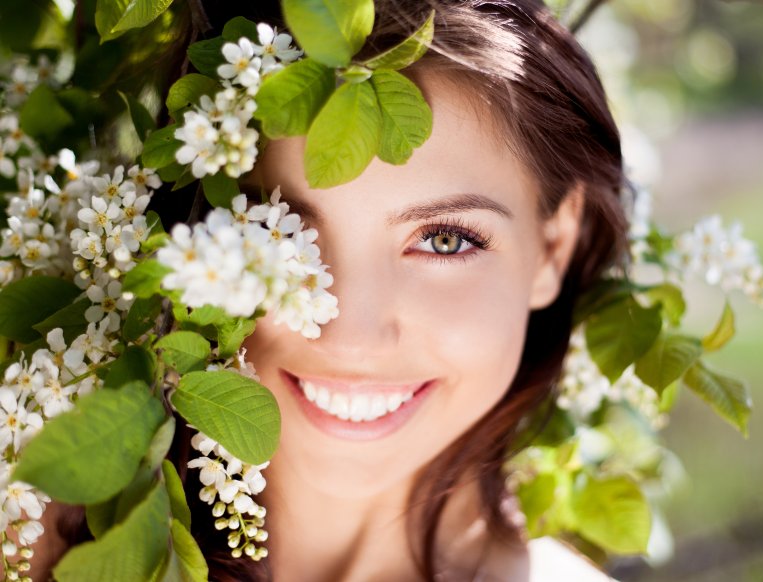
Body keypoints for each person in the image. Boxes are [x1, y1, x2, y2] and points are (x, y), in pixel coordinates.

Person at [27, 0, 627, 580]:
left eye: (445, 240)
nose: (350, 338)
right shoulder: (27, 534)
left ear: (553, 247)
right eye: (278, 234)